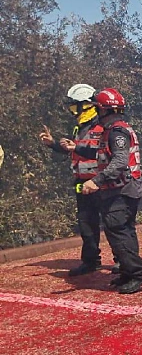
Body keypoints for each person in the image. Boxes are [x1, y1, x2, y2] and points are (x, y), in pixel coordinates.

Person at [38, 84, 118, 276]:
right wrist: (54, 144)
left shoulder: (104, 127)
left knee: (112, 223)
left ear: (88, 106)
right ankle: (91, 261)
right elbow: (72, 151)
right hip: (81, 183)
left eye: (76, 106)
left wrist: (76, 148)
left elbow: (104, 153)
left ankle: (121, 261)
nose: (73, 111)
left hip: (101, 182)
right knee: (86, 224)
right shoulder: (78, 128)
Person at [80, 88, 142, 294]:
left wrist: (96, 181)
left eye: (97, 109)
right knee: (125, 230)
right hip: (127, 187)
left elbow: (120, 162)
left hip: (123, 189)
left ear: (104, 110)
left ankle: (140, 273)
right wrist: (73, 148)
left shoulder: (116, 131)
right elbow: (99, 152)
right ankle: (128, 273)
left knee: (117, 230)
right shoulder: (114, 129)